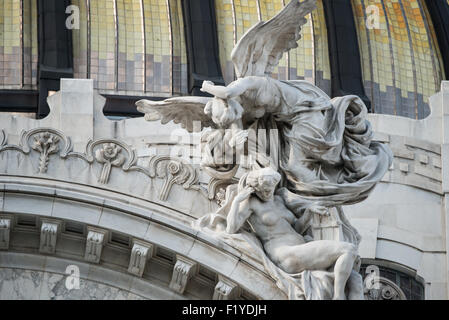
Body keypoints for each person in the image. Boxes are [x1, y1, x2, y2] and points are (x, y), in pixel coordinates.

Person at [225, 167, 363, 300]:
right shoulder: (251, 203)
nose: (266, 194)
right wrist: (237, 201)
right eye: (263, 190)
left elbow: (296, 227)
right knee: (348, 249)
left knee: (356, 279)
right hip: (286, 254)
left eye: (269, 190)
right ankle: (338, 297)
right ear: (255, 188)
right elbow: (231, 229)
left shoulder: (279, 200)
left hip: (301, 248)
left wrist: (309, 212)